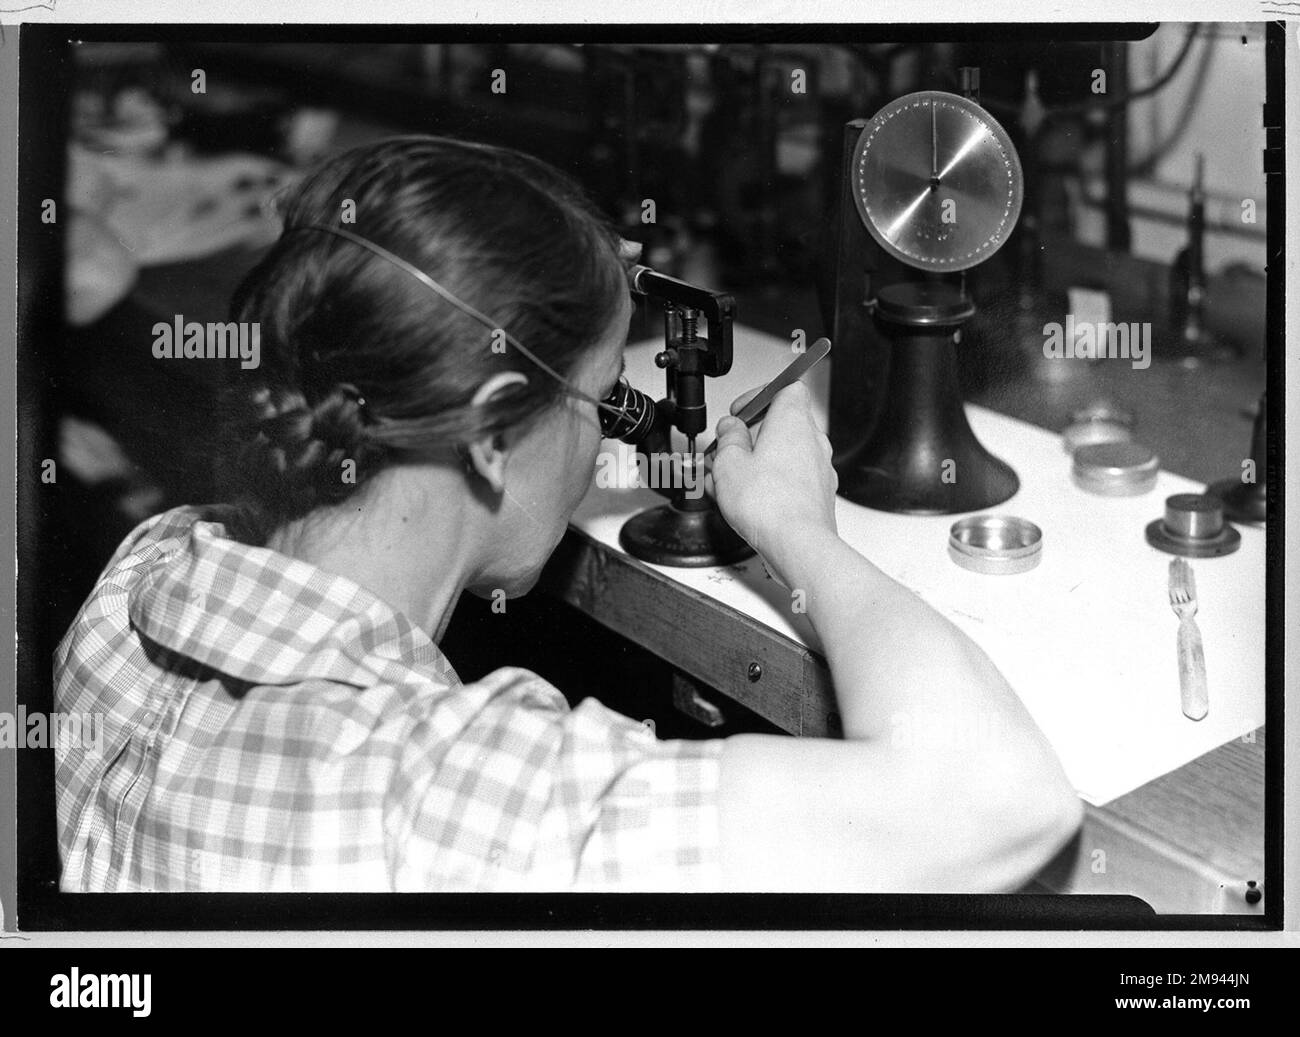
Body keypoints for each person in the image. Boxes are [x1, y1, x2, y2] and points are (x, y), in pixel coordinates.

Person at [54, 135, 1081, 893]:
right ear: (493, 435)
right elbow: (1003, 801)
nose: (602, 442)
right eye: (595, 401)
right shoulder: (451, 797)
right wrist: (800, 529)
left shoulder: (135, 583)